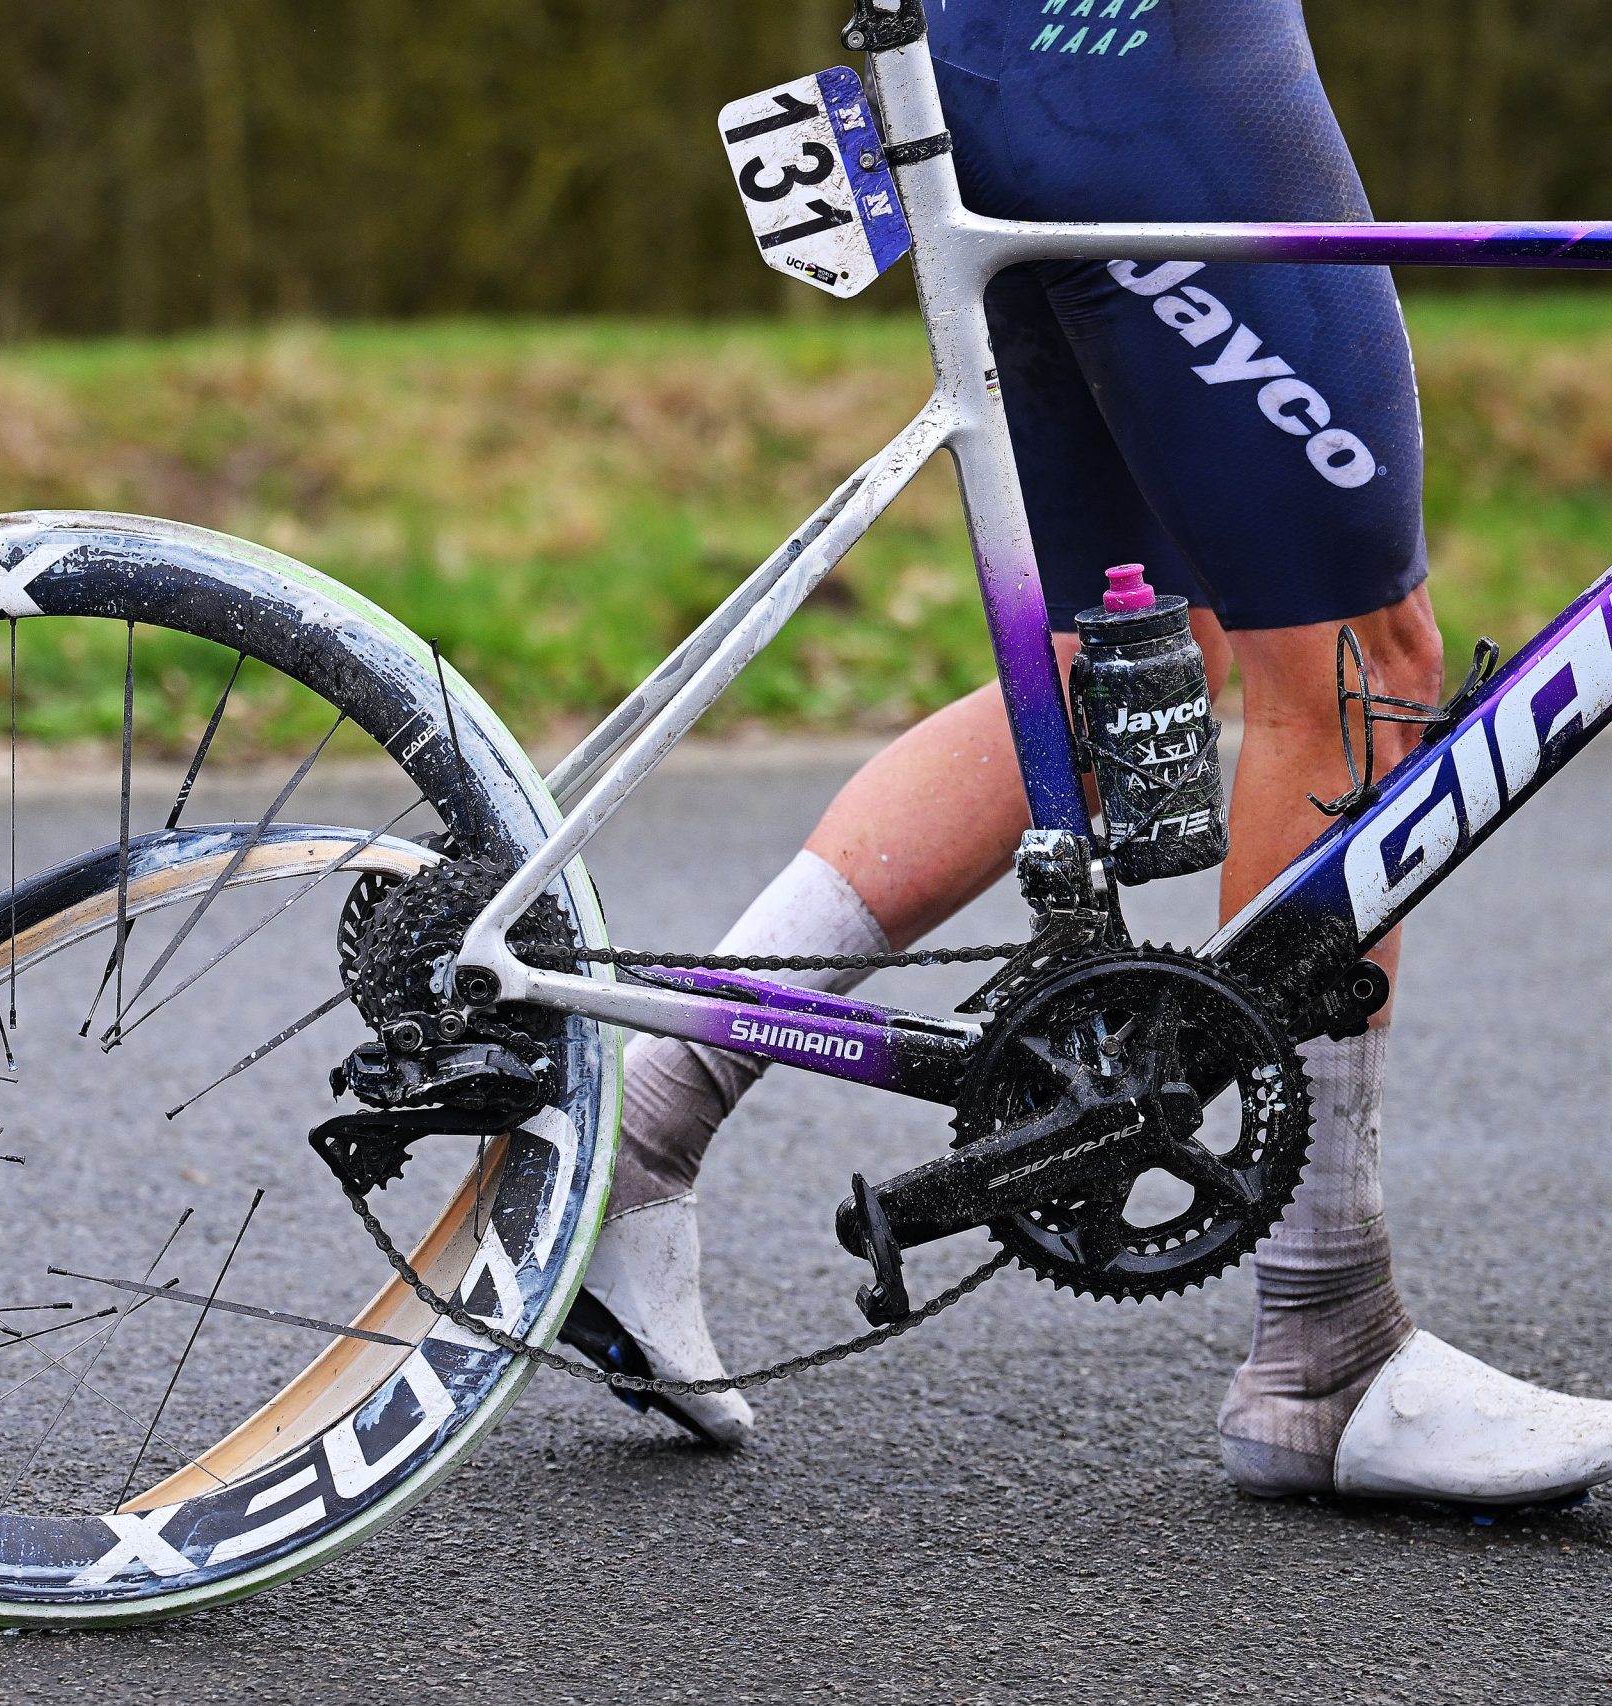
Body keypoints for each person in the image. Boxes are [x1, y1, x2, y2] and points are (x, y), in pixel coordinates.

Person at [567, 0, 1612, 1503]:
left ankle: (644, 1133)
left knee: (1118, 658)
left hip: (1019, 55)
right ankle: (1327, 1346)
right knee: (1356, 655)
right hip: (1136, 55)